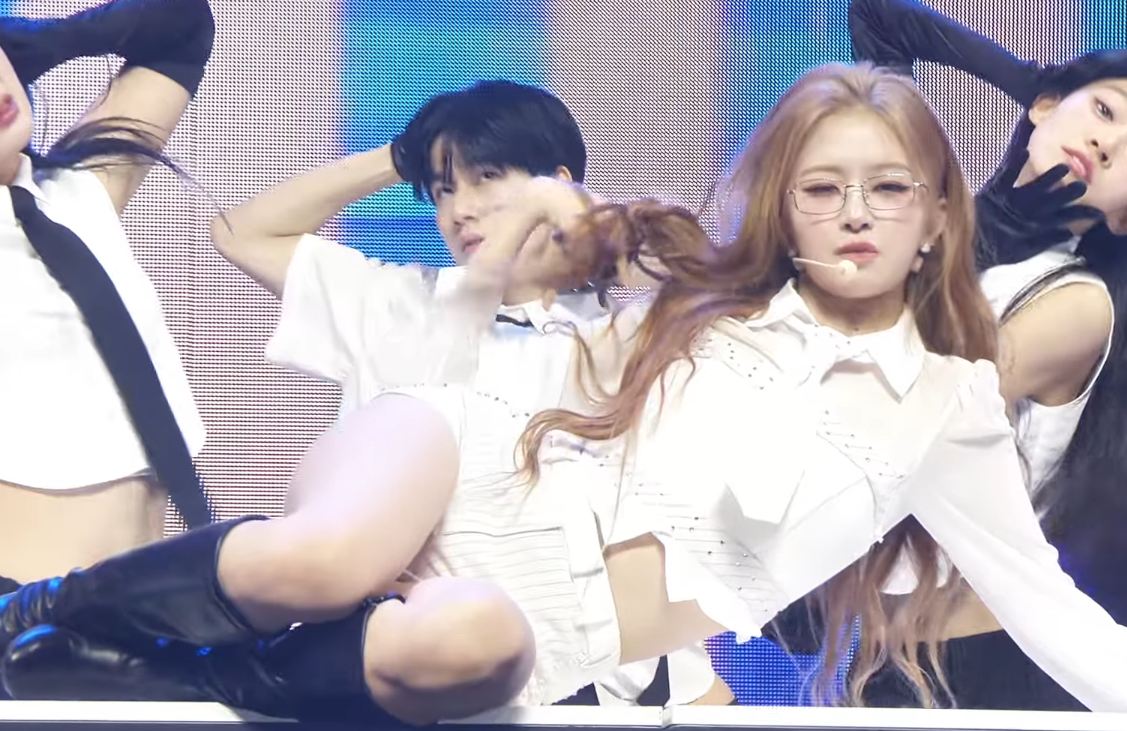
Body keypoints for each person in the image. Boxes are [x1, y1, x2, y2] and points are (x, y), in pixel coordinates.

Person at [6, 62, 1127, 720]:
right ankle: (39, 610)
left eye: (888, 188)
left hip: (544, 625)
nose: (854, 214)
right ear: (784, 208)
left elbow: (1056, 613)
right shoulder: (705, 306)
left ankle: (180, 677)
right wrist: (503, 241)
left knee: (467, 645)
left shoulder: (949, 409)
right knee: (323, 559)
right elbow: (457, 353)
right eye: (820, 188)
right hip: (451, 456)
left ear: (937, 213)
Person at [785, 0, 1127, 710]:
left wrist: (978, 237)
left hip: (985, 663)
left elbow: (911, 406)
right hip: (888, 655)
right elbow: (877, 18)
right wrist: (1033, 85)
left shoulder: (1078, 303)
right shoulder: (933, 232)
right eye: (1103, 110)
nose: (1106, 143)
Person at [0, 0, 214, 596]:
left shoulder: (80, 193)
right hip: (25, 615)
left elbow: (182, 26)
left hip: (148, 604)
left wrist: (40, 42)